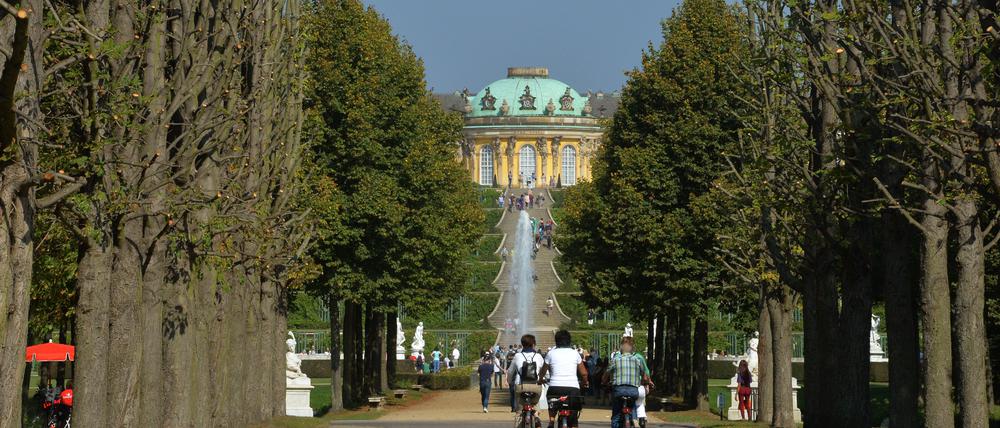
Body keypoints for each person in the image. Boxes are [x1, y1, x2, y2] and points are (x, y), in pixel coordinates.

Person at [537, 330, 588, 428]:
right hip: (573, 388)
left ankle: (551, 421)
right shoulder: (575, 353)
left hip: (555, 387)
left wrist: (540, 379)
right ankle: (573, 425)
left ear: (556, 341)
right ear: (569, 341)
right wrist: (585, 382)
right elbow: (584, 373)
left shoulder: (551, 353)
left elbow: (543, 371)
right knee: (574, 415)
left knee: (552, 401)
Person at [603, 336, 652, 428]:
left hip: (618, 391)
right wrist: (646, 382)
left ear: (621, 347)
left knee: (616, 415)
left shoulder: (616, 359)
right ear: (632, 347)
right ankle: (634, 419)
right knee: (632, 405)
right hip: (633, 391)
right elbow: (645, 375)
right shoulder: (638, 359)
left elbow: (606, 373)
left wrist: (604, 382)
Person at [507, 334, 545, 413]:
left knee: (519, 410)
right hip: (535, 386)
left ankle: (519, 416)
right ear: (533, 344)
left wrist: (509, 381)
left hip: (520, 386)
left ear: (522, 344)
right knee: (536, 405)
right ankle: (536, 416)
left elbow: (510, 371)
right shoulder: (538, 356)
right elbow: (545, 372)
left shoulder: (517, 356)